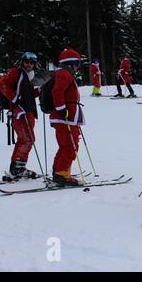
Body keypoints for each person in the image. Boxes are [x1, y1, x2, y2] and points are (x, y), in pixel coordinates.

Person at [0, 52, 40, 179]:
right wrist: (15, 99)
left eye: (32, 62)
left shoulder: (29, 76)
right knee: (27, 138)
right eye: (27, 62)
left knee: (27, 139)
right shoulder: (15, 72)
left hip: (28, 111)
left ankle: (19, 167)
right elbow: (3, 85)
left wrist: (39, 91)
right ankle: (17, 168)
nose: (29, 64)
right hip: (19, 112)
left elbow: (28, 95)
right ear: (22, 62)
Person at [50, 48, 85, 186]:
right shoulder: (64, 74)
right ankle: (61, 174)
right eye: (77, 63)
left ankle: (58, 171)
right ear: (70, 63)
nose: (77, 67)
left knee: (65, 145)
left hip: (65, 116)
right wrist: (61, 109)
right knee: (71, 145)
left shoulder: (63, 73)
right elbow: (57, 91)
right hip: (64, 117)